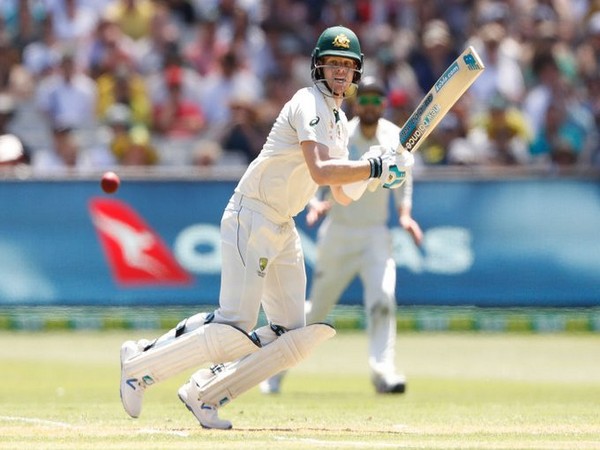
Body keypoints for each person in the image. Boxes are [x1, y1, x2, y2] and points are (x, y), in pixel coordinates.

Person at [119, 25, 414, 430]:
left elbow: (344, 195)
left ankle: (206, 393)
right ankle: (139, 364)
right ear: (318, 67)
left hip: (282, 225)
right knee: (233, 326)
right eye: (334, 64)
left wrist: (379, 176)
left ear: (357, 72)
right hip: (252, 214)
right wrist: (375, 165)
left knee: (291, 337)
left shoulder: (339, 121)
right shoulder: (307, 103)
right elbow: (322, 171)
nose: (341, 73)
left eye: (348, 66)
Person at [260, 76, 423, 395]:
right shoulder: (341, 132)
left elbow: (403, 177)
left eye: (378, 100)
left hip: (375, 234)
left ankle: (383, 371)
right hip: (339, 234)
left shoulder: (393, 136)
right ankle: (273, 371)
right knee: (315, 311)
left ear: (385, 104)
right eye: (366, 99)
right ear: (356, 102)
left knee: (383, 298)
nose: (371, 105)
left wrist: (404, 215)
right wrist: (319, 203)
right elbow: (324, 170)